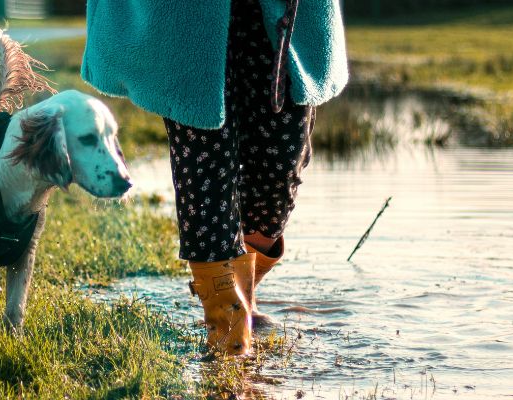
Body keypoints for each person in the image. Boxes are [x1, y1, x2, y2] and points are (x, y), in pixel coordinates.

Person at [81, 0, 348, 355]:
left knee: (278, 173)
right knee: (204, 171)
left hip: (279, 15)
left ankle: (244, 299)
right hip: (185, 20)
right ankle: (229, 340)